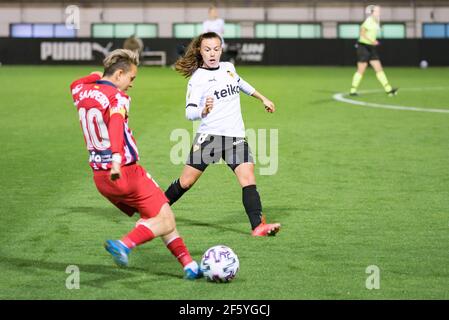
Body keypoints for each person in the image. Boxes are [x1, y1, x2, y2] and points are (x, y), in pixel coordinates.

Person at [69, 49, 202, 279]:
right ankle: (125, 244)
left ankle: (189, 265)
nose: (131, 84)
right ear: (119, 74)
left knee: (158, 214)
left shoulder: (82, 91)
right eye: (131, 78)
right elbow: (116, 125)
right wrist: (117, 160)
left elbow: (75, 83)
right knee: (165, 218)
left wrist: (94, 76)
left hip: (101, 179)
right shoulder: (118, 98)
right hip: (124, 172)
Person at [165, 32, 281, 237]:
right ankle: (155, 208)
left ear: (221, 49)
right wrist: (203, 111)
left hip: (235, 136)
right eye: (207, 49)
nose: (212, 54)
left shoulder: (228, 68)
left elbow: (241, 83)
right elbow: (189, 112)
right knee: (186, 182)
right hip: (209, 138)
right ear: (200, 51)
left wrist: (263, 98)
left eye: (216, 49)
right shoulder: (198, 79)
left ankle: (257, 226)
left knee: (248, 177)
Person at [350, 5, 398, 96]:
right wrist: (372, 41)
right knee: (361, 69)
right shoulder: (369, 21)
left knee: (378, 68)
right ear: (372, 12)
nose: (379, 12)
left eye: (379, 11)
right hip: (363, 47)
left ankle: (388, 90)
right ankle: (353, 90)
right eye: (377, 11)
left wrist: (372, 42)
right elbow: (362, 33)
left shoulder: (375, 21)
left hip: (371, 47)